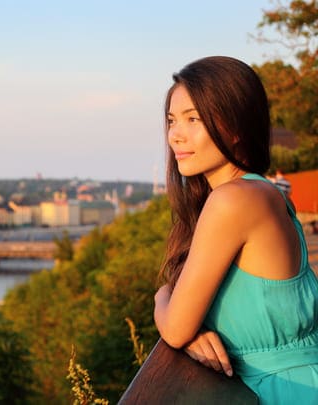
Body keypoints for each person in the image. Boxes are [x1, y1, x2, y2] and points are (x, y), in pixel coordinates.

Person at [153, 56, 318, 403]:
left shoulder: (233, 201)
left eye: (193, 119)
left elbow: (175, 327)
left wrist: (161, 297)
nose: (176, 135)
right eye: (172, 120)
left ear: (236, 125)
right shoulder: (259, 192)